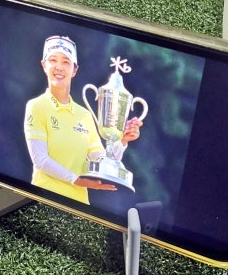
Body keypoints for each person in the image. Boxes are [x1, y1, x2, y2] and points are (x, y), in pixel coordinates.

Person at [24, 36, 142, 205]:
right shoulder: (37, 106)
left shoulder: (85, 115)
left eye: (66, 62)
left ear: (74, 70)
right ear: (44, 65)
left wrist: (122, 140)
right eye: (53, 60)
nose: (59, 67)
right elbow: (40, 160)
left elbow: (102, 160)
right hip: (43, 200)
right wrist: (77, 180)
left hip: (79, 205)